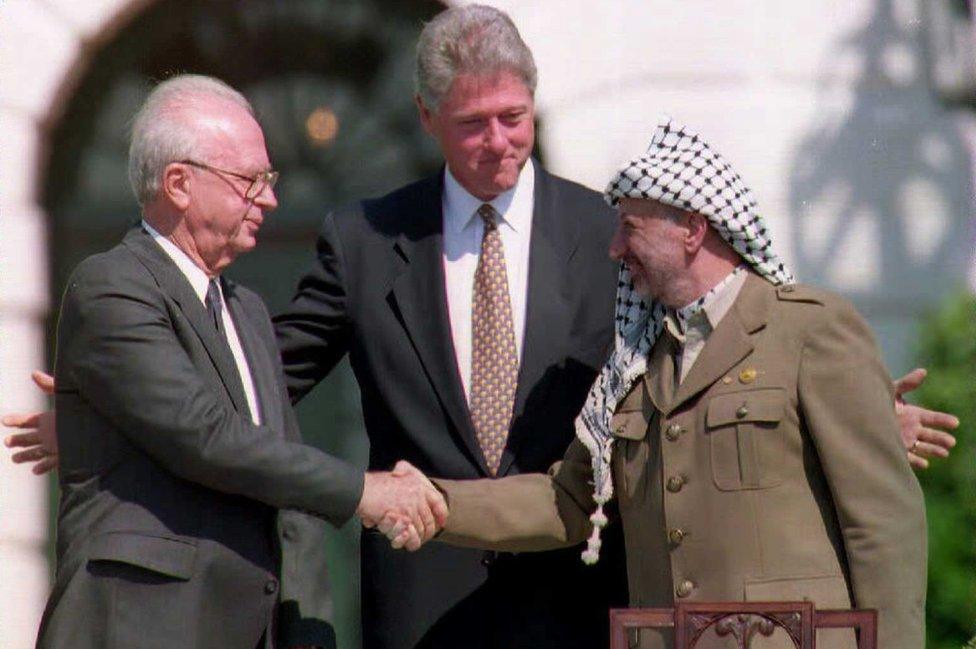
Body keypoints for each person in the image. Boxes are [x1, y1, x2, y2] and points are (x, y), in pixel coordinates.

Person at [3, 5, 956, 648]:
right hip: (426, 608)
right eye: (473, 124)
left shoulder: (614, 233)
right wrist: (114, 417)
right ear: (425, 118)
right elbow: (259, 379)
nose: (500, 141)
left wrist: (858, 420)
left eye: (515, 117)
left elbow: (710, 366)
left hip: (589, 605)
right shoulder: (366, 238)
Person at [421, 117, 928, 649]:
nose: (615, 248)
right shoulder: (634, 366)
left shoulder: (809, 329)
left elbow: (882, 523)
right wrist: (434, 503)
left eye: (631, 228)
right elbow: (567, 499)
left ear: (692, 228)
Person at [31, 74, 446, 649]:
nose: (271, 198)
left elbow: (285, 493)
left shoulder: (245, 310)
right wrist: (361, 491)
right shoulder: (112, 286)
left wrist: (311, 633)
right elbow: (205, 435)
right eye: (251, 181)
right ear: (178, 183)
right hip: (142, 627)